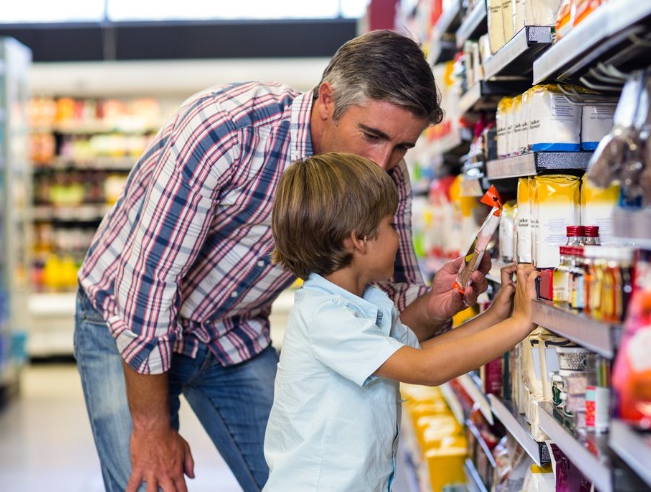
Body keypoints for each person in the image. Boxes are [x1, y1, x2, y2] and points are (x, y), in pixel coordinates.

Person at [73, 29, 493, 492]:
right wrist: (152, 429)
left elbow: (383, 307)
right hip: (124, 320)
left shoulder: (382, 181)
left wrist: (436, 302)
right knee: (148, 481)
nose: (381, 162)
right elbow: (147, 286)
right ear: (328, 100)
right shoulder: (227, 132)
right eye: (372, 135)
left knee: (301, 476)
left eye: (401, 148)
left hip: (232, 329)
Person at [263, 152, 538, 491]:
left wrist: (498, 315)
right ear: (358, 239)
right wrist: (521, 323)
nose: (398, 236)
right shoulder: (325, 315)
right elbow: (426, 368)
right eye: (391, 225)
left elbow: (422, 350)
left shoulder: (366, 300)